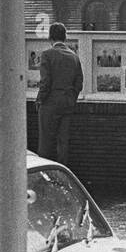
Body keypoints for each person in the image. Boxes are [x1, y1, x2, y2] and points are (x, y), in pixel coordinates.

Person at [35, 22, 83, 163]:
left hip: (49, 103)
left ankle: (44, 171)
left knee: (45, 142)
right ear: (65, 37)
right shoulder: (74, 56)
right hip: (67, 103)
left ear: (50, 37)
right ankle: (62, 171)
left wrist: (40, 99)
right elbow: (79, 83)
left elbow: (45, 82)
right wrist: (71, 98)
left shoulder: (47, 55)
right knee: (63, 143)